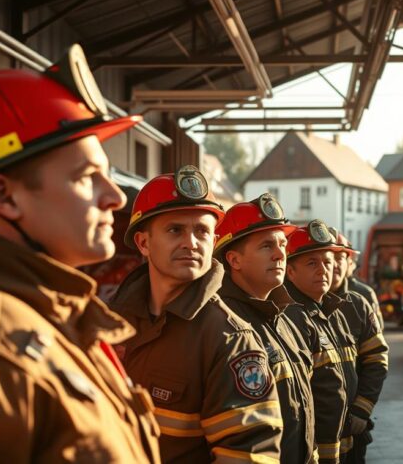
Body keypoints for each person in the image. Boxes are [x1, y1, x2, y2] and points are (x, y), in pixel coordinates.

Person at [0, 44, 159, 462]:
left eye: (110, 176)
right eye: (87, 177)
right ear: (4, 196)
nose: (115, 197)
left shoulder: (59, 315)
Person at [110, 166, 282, 463]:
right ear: (143, 243)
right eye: (175, 229)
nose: (191, 242)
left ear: (214, 242)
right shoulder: (108, 323)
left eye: (202, 231)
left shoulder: (230, 339)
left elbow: (248, 455)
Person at [214, 194, 317, 464]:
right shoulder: (224, 325)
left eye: (282, 244)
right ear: (234, 260)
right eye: (266, 245)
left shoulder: (285, 317)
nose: (280, 253)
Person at [283, 220, 357, 464]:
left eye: (328, 262)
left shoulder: (331, 310)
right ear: (290, 272)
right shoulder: (293, 317)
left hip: (343, 443)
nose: (323, 270)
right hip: (317, 452)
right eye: (312, 263)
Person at [329, 229, 389, 462]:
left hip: (353, 421)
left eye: (339, 258)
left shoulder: (359, 301)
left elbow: (376, 358)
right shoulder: (291, 304)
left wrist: (362, 408)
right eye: (327, 257)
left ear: (349, 262)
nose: (332, 265)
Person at [346, 251, 384, 326]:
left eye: (339, 259)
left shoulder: (365, 292)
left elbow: (377, 327)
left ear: (352, 264)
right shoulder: (321, 292)